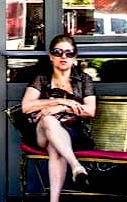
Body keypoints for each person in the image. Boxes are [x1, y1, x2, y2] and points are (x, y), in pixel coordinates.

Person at [21, 34, 95, 202]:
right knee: (48, 121)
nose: (63, 56)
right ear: (51, 56)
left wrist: (62, 107)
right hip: (41, 132)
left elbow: (90, 111)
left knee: (55, 147)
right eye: (58, 52)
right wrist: (60, 100)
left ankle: (54, 200)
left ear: (74, 57)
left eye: (69, 53)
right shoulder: (42, 79)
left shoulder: (84, 80)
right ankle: (75, 165)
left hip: (72, 132)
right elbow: (26, 106)